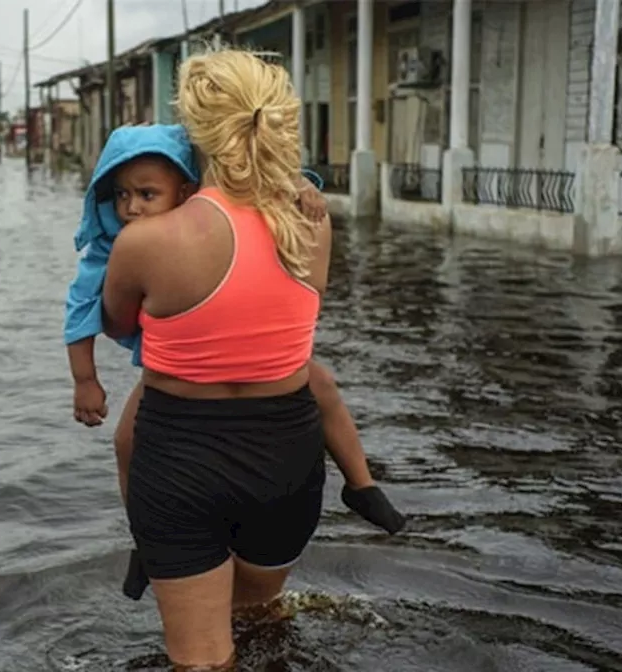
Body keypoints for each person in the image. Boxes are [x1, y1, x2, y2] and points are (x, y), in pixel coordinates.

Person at [97, 48, 405, 669]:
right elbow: (297, 314)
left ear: (194, 132)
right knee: (260, 621)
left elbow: (116, 323)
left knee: (202, 659)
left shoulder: (145, 240)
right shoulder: (309, 224)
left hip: (179, 458)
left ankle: (147, 547)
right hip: (286, 457)